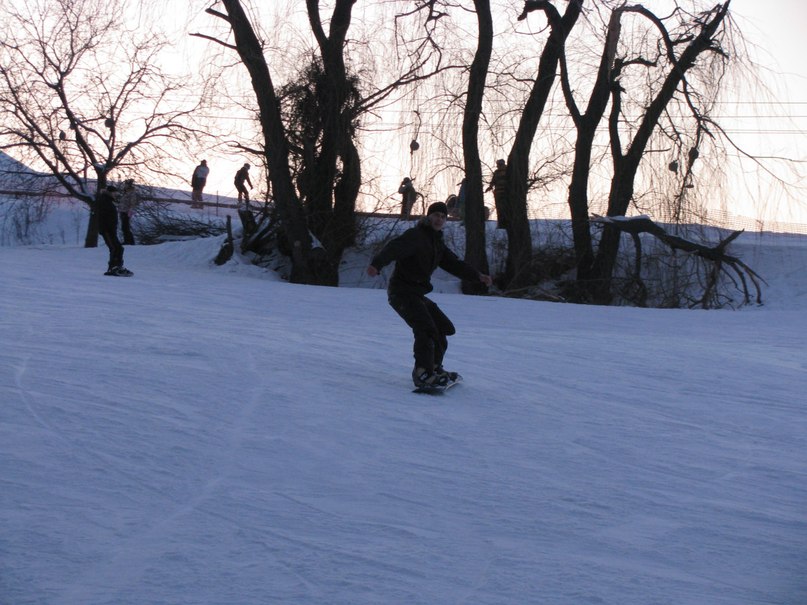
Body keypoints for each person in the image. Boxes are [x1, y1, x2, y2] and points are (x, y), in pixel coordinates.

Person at [367, 201, 492, 389]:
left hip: (416, 294)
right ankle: (422, 373)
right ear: (429, 217)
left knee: (443, 327)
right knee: (425, 328)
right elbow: (394, 248)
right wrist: (377, 264)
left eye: (443, 217)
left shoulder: (437, 243)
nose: (439, 220)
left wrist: (478, 276)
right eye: (436, 215)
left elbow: (454, 264)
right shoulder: (416, 236)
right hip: (401, 292)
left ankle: (434, 367)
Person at [96, 185, 132, 277]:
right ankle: (113, 268)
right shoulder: (104, 201)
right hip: (107, 230)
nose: (116, 195)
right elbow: (103, 217)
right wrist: (106, 228)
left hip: (111, 230)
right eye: (115, 193)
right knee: (115, 248)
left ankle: (117, 266)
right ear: (110, 193)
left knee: (119, 248)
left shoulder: (108, 201)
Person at [485, 159, 508, 228]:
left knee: (504, 209)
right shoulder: (496, 172)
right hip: (498, 194)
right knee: (499, 209)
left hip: (505, 194)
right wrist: (489, 187)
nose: (497, 166)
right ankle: (501, 224)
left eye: (498, 164)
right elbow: (493, 182)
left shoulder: (508, 171)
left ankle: (504, 224)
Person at [117, 179, 139, 245]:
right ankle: (128, 240)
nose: (125, 186)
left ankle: (128, 241)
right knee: (124, 227)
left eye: (126, 185)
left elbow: (133, 202)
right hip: (122, 211)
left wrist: (130, 210)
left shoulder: (132, 193)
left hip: (126, 212)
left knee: (125, 227)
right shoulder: (125, 193)